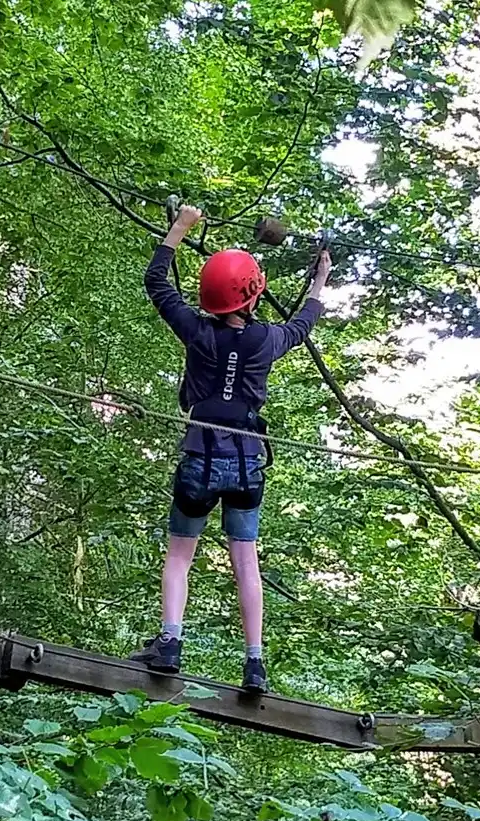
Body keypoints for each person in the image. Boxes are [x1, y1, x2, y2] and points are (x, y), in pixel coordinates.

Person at [129, 205, 332, 693]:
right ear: (253, 293)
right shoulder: (267, 340)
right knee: (246, 561)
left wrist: (180, 227)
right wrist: (319, 279)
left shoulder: (197, 332)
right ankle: (255, 664)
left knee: (181, 555)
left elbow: (157, 283)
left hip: (200, 459)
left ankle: (170, 643)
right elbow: (303, 323)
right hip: (245, 466)